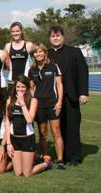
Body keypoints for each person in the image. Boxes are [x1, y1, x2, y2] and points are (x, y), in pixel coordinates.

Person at [47, 26, 89, 166]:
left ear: (63, 36)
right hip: (53, 98)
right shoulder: (46, 54)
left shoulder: (75, 52)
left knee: (72, 127)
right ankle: (62, 157)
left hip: (71, 96)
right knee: (58, 128)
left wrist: (83, 93)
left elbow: (83, 72)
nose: (55, 38)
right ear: (50, 38)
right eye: (53, 36)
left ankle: (75, 157)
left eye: (58, 35)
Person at [4, 75, 51, 177]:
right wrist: (8, 143)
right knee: (18, 173)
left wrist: (22, 104)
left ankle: (46, 163)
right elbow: (7, 122)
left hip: (27, 139)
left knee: (27, 174)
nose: (20, 89)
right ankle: (33, 158)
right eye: (18, 87)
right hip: (14, 140)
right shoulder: (9, 100)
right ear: (14, 87)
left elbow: (29, 120)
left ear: (27, 87)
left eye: (23, 87)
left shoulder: (33, 100)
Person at [28, 43, 65, 170]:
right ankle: (46, 158)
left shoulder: (53, 66)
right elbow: (31, 89)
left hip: (52, 104)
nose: (38, 54)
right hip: (39, 105)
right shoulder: (31, 70)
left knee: (56, 132)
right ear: (32, 55)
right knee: (43, 133)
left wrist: (59, 102)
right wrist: (34, 103)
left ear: (44, 52)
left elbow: (59, 85)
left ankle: (60, 160)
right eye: (35, 52)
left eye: (40, 52)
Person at [4, 21, 34, 88]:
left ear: (21, 31)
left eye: (17, 31)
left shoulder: (29, 45)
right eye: (13, 31)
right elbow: (8, 65)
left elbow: (33, 63)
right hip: (12, 80)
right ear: (11, 33)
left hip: (26, 80)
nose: (15, 33)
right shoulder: (8, 46)